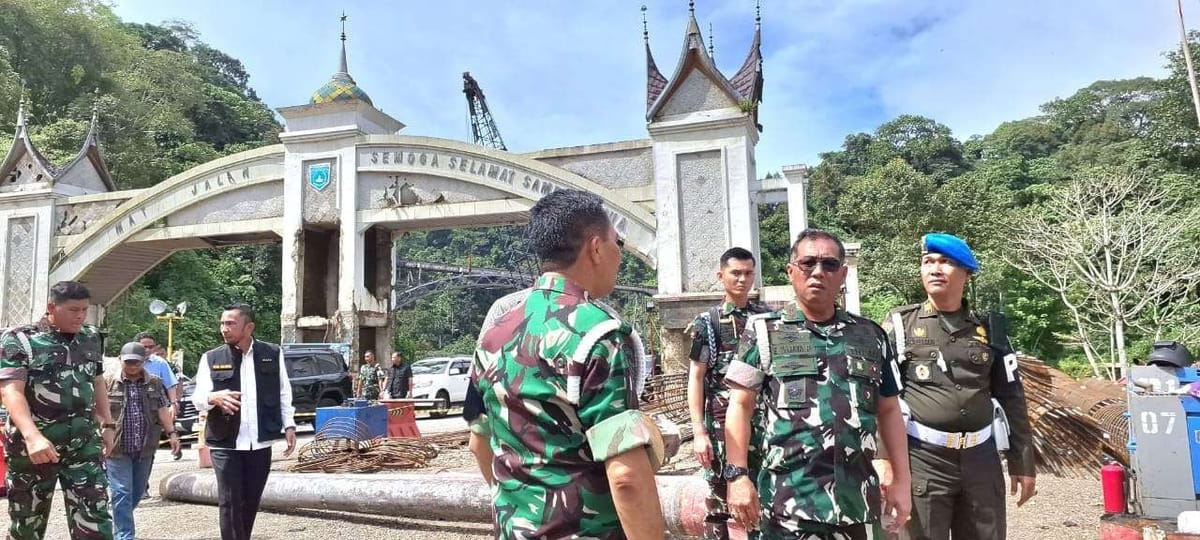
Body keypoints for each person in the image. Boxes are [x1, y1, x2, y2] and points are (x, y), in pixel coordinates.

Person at [471, 189, 668, 538]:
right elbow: (626, 477)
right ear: (595, 248)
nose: (618, 257)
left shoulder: (494, 335)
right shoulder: (599, 333)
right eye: (616, 244)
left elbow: (479, 443)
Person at [724, 229, 912, 539]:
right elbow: (739, 406)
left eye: (829, 265)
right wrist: (737, 476)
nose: (818, 272)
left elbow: (889, 409)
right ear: (791, 271)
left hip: (859, 506)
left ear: (843, 274)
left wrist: (902, 480)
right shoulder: (763, 332)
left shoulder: (871, 336)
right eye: (808, 263)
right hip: (788, 508)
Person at [882, 233, 1034, 540]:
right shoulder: (901, 325)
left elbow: (1011, 396)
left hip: (981, 460)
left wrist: (1023, 461)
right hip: (923, 459)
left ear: (967, 273)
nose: (935, 269)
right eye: (928, 262)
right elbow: (882, 400)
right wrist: (885, 462)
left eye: (946, 262)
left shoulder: (989, 327)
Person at [0, 280, 116, 540]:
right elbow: (10, 391)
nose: (80, 316)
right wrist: (32, 436)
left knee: (96, 523)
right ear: (52, 307)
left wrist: (108, 424)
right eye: (74, 310)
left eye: (85, 310)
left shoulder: (91, 337)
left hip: (83, 446)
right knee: (26, 526)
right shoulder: (21, 339)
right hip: (34, 450)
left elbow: (97, 381)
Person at [191, 303, 297, 540]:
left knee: (250, 501)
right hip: (225, 443)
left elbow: (283, 392)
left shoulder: (272, 353)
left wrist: (289, 424)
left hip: (259, 442)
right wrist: (213, 397)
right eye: (222, 323)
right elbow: (198, 398)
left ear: (249, 327)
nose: (224, 329)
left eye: (230, 324)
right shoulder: (211, 357)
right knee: (229, 502)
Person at [685, 247, 770, 540]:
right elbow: (696, 378)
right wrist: (699, 432)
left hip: (763, 426)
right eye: (735, 273)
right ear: (721, 276)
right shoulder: (708, 324)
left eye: (748, 273)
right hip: (723, 430)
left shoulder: (767, 319)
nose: (742, 279)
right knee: (721, 503)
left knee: (764, 498)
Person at [104, 342, 181, 540]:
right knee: (122, 492)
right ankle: (124, 535)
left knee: (137, 492)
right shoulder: (107, 382)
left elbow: (162, 410)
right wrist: (103, 432)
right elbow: (97, 410)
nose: (131, 367)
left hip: (145, 446)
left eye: (136, 363)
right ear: (120, 360)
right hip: (116, 448)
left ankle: (115, 521)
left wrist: (172, 433)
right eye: (128, 362)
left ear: (144, 362)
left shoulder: (154, 382)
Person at [135, 333, 180, 420]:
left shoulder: (160, 363)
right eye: (144, 347)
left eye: (151, 347)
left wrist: (173, 404)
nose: (148, 350)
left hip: (155, 406)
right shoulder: (127, 362)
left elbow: (170, 385)